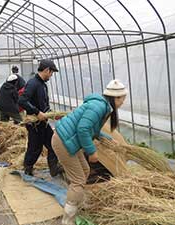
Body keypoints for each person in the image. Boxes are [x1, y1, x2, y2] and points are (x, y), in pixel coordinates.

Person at [51, 79, 127, 224]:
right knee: (78, 180)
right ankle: (68, 219)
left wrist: (108, 139)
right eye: (122, 98)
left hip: (70, 141)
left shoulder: (102, 106)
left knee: (85, 171)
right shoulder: (98, 107)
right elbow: (83, 129)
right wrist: (92, 152)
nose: (123, 102)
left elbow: (93, 129)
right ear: (115, 97)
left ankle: (76, 203)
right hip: (64, 142)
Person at [18, 59, 63, 177]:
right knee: (35, 148)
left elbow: (44, 106)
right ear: (47, 70)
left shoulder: (42, 85)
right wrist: (37, 112)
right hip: (35, 124)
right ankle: (27, 169)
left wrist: (52, 114)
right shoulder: (33, 83)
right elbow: (22, 100)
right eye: (52, 72)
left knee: (53, 144)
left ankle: (54, 169)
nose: (51, 75)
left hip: (43, 123)